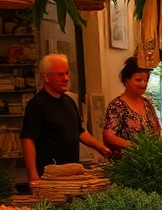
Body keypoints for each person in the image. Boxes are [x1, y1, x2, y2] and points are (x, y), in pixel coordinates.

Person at [22, 53, 110, 184]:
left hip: (71, 175)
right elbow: (28, 141)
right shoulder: (36, 105)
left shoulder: (69, 101)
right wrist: (33, 176)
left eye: (67, 73)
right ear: (45, 77)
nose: (66, 78)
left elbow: (80, 131)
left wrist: (102, 149)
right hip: (49, 177)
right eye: (60, 75)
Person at [102, 57, 162, 157]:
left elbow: (157, 131)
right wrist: (136, 147)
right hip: (127, 165)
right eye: (138, 80)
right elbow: (108, 137)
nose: (143, 84)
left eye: (146, 80)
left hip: (151, 161)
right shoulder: (117, 105)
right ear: (127, 81)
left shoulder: (147, 103)